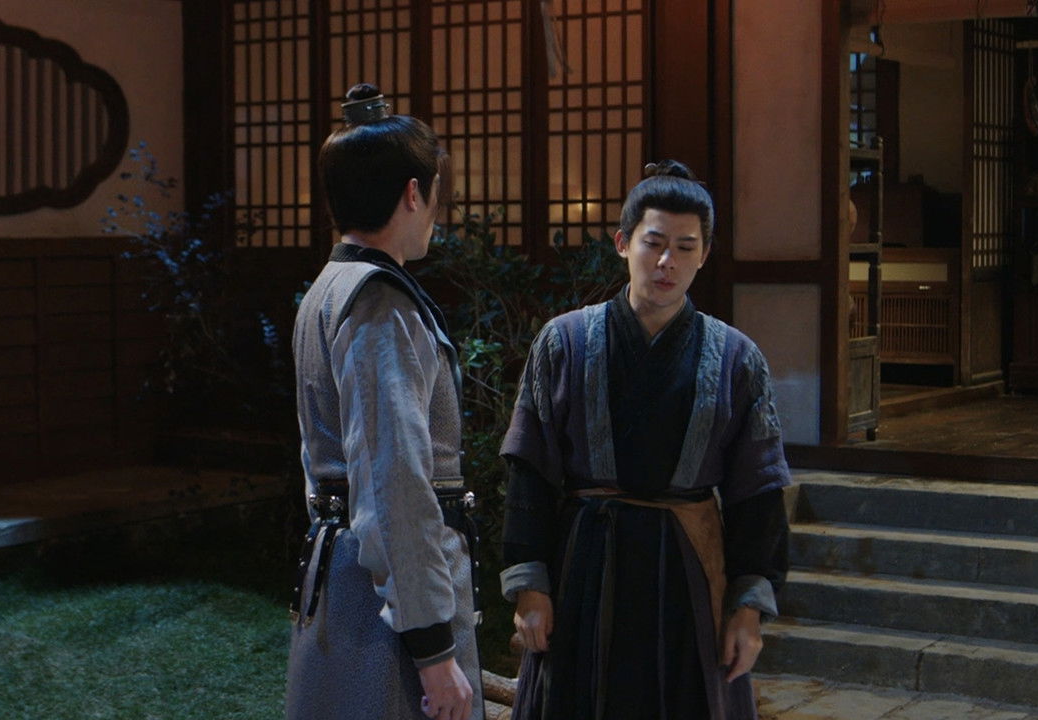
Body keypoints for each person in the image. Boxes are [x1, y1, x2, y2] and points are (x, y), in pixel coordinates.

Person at [499, 160, 791, 719]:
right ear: (622, 243)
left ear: (704, 254)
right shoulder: (565, 342)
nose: (666, 262)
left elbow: (758, 493)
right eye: (653, 243)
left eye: (685, 247)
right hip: (585, 567)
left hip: (690, 572)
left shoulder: (736, 358)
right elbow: (529, 471)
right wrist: (530, 585)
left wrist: (749, 606)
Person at [286, 82, 482, 720]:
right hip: (381, 607)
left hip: (345, 573)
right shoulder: (377, 303)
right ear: (414, 193)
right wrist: (434, 648)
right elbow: (394, 480)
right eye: (436, 194)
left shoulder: (328, 287)